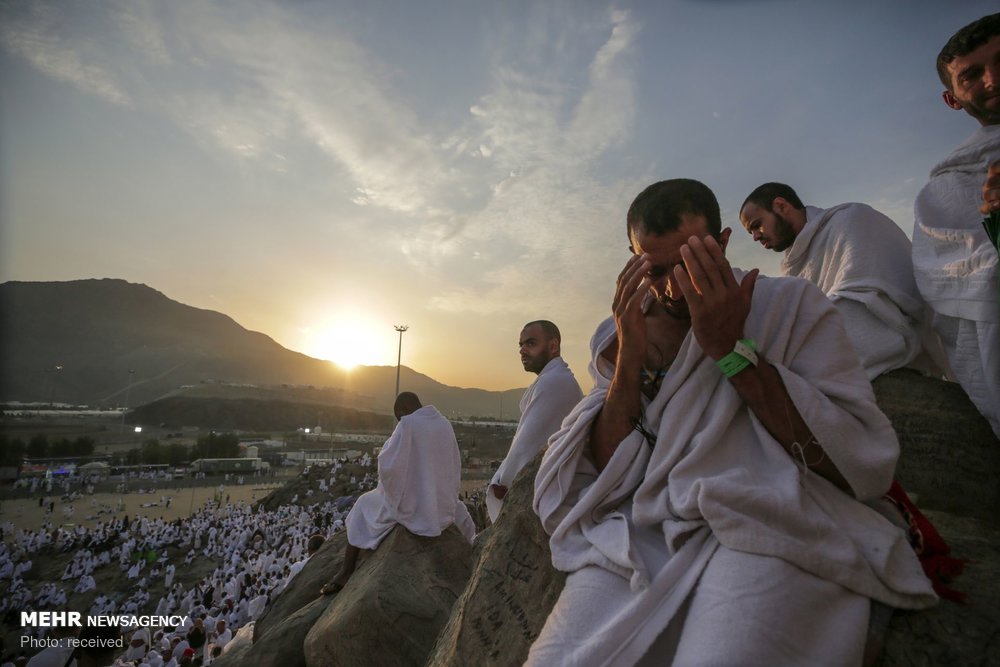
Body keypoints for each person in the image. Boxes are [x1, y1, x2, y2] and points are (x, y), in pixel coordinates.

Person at [528, 179, 936, 666]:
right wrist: (629, 359)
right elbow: (609, 466)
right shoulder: (618, 330)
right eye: (655, 268)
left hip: (767, 513)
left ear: (721, 242)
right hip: (643, 527)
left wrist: (729, 349)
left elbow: (850, 457)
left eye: (688, 261)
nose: (672, 285)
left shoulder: (789, 307)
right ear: (633, 257)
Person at [739, 182, 947, 380]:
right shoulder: (792, 266)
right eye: (751, 233)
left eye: (757, 226)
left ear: (781, 206)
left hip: (892, 333)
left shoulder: (852, 219)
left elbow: (861, 302)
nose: (756, 237)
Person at [913, 12, 1000, 437]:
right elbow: (951, 281)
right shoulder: (948, 189)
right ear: (953, 99)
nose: (993, 80)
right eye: (972, 75)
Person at [319, 392, 476, 595]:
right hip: (441, 504)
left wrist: (396, 490)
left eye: (398, 418)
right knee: (461, 510)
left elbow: (388, 466)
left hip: (415, 506)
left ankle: (345, 572)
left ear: (402, 411)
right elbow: (454, 463)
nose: (399, 422)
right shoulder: (444, 423)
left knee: (361, 505)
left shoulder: (408, 423)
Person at [486, 320, 583, 523]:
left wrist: (502, 482)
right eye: (520, 345)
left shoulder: (554, 383)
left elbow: (526, 448)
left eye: (530, 344)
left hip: (551, 499)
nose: (522, 350)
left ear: (553, 346)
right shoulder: (556, 379)